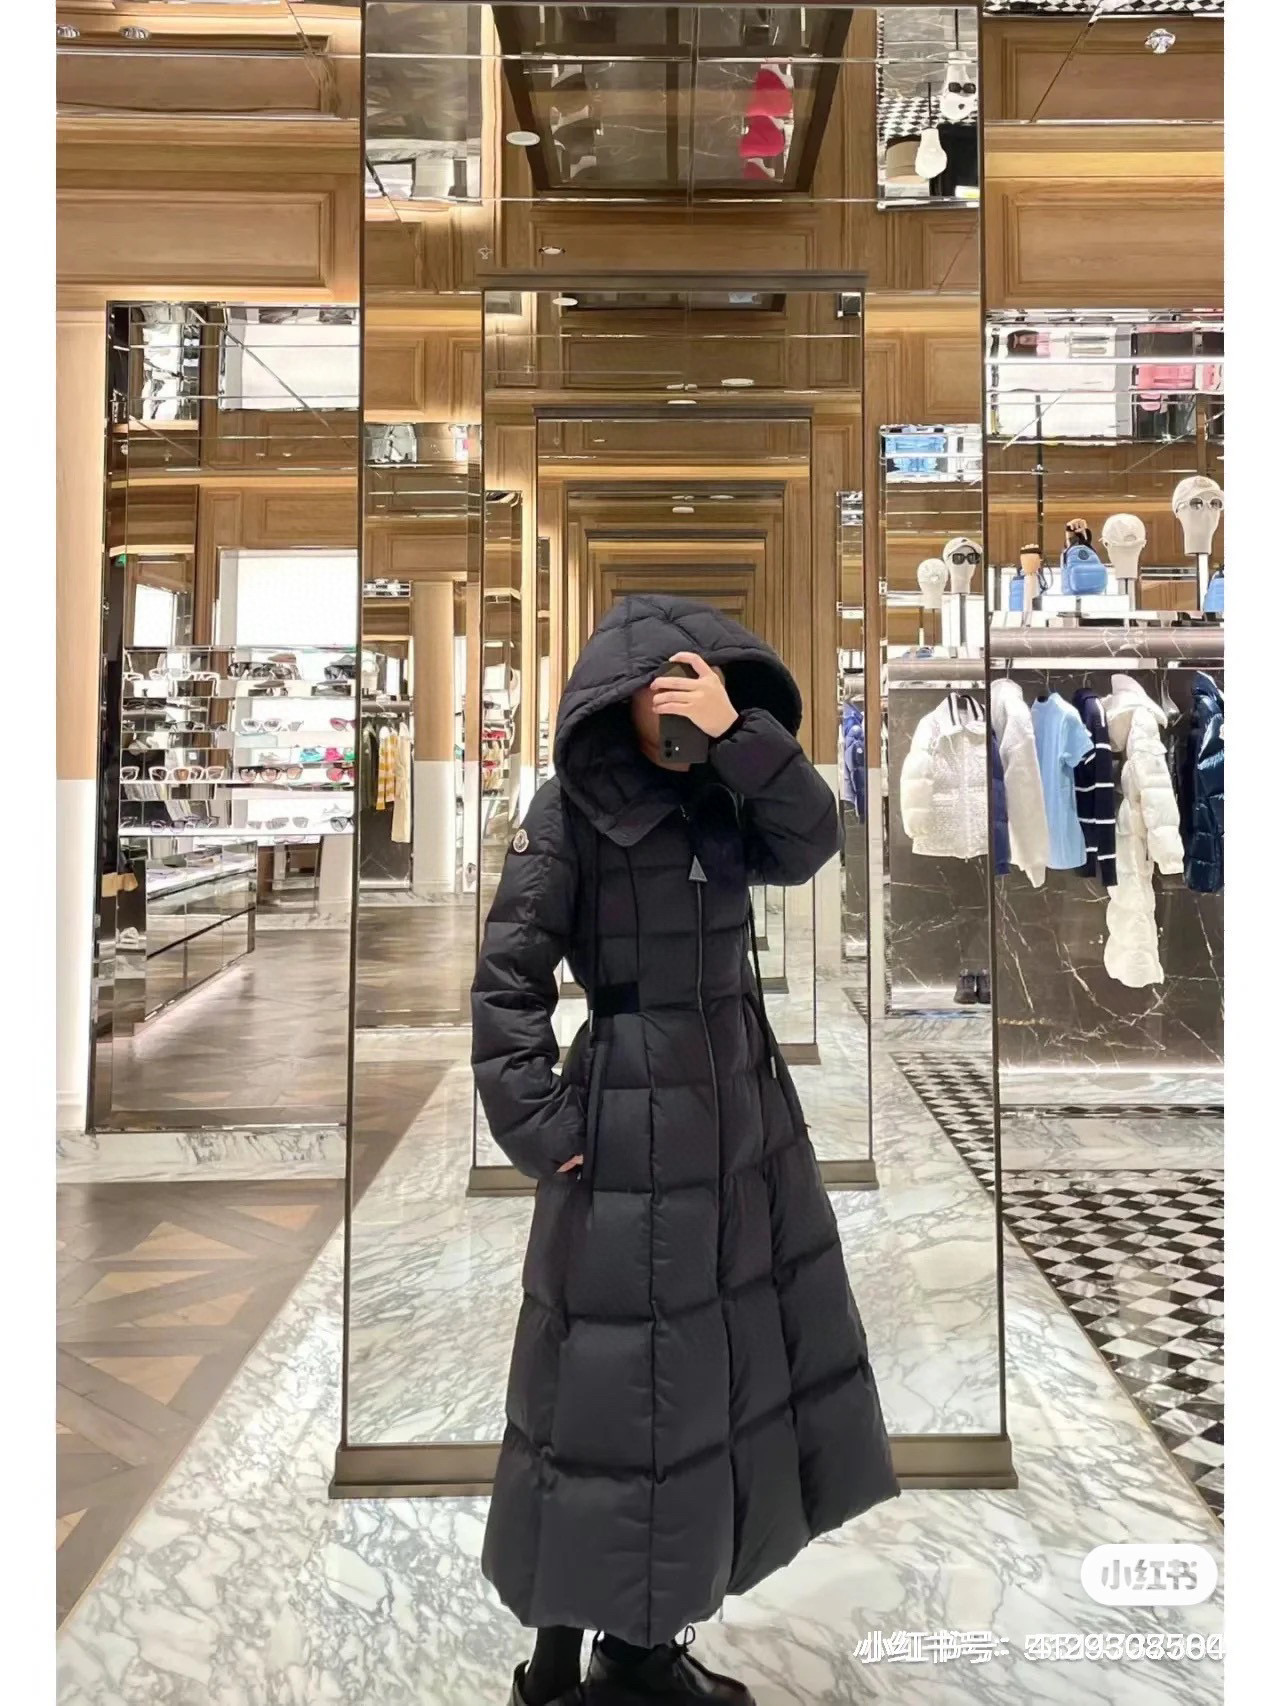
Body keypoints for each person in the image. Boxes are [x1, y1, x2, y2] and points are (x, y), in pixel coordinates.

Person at [472, 595, 898, 1706]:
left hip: (733, 1117)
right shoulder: (567, 810)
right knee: (604, 1387)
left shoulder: (725, 790)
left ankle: (635, 1647)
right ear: (612, 705)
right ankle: (569, 1663)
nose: (669, 718)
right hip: (623, 1119)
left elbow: (813, 839)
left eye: (691, 692)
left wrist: (739, 732)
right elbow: (507, 978)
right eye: (654, 696)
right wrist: (543, 1126)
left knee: (699, 1380)